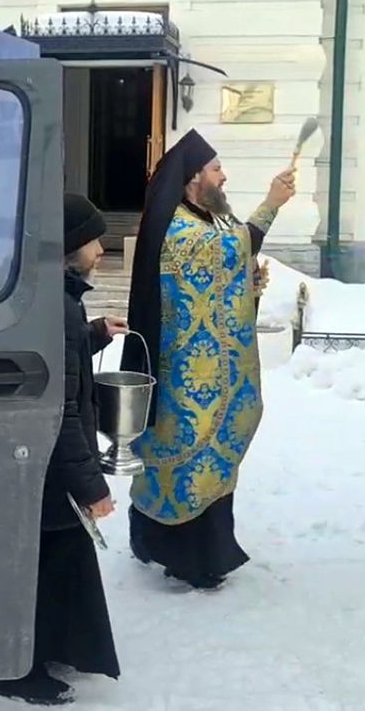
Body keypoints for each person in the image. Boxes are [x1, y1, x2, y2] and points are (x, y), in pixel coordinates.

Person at [122, 129, 296, 589]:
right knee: (187, 458)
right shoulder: (181, 229)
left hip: (205, 373)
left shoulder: (202, 220)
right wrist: (272, 203)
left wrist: (247, 288)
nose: (224, 176)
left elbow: (224, 277)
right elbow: (235, 247)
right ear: (192, 178)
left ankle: (168, 545)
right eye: (216, 169)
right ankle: (190, 559)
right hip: (185, 378)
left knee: (194, 461)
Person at [0, 193, 125, 705]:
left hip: (37, 464)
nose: (101, 251)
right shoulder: (58, 308)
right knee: (44, 569)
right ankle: (19, 672)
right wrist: (91, 486)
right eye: (94, 240)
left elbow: (51, 365)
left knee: (58, 562)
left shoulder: (51, 299)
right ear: (70, 246)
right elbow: (60, 412)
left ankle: (50, 651)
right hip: (47, 470)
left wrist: (93, 334)